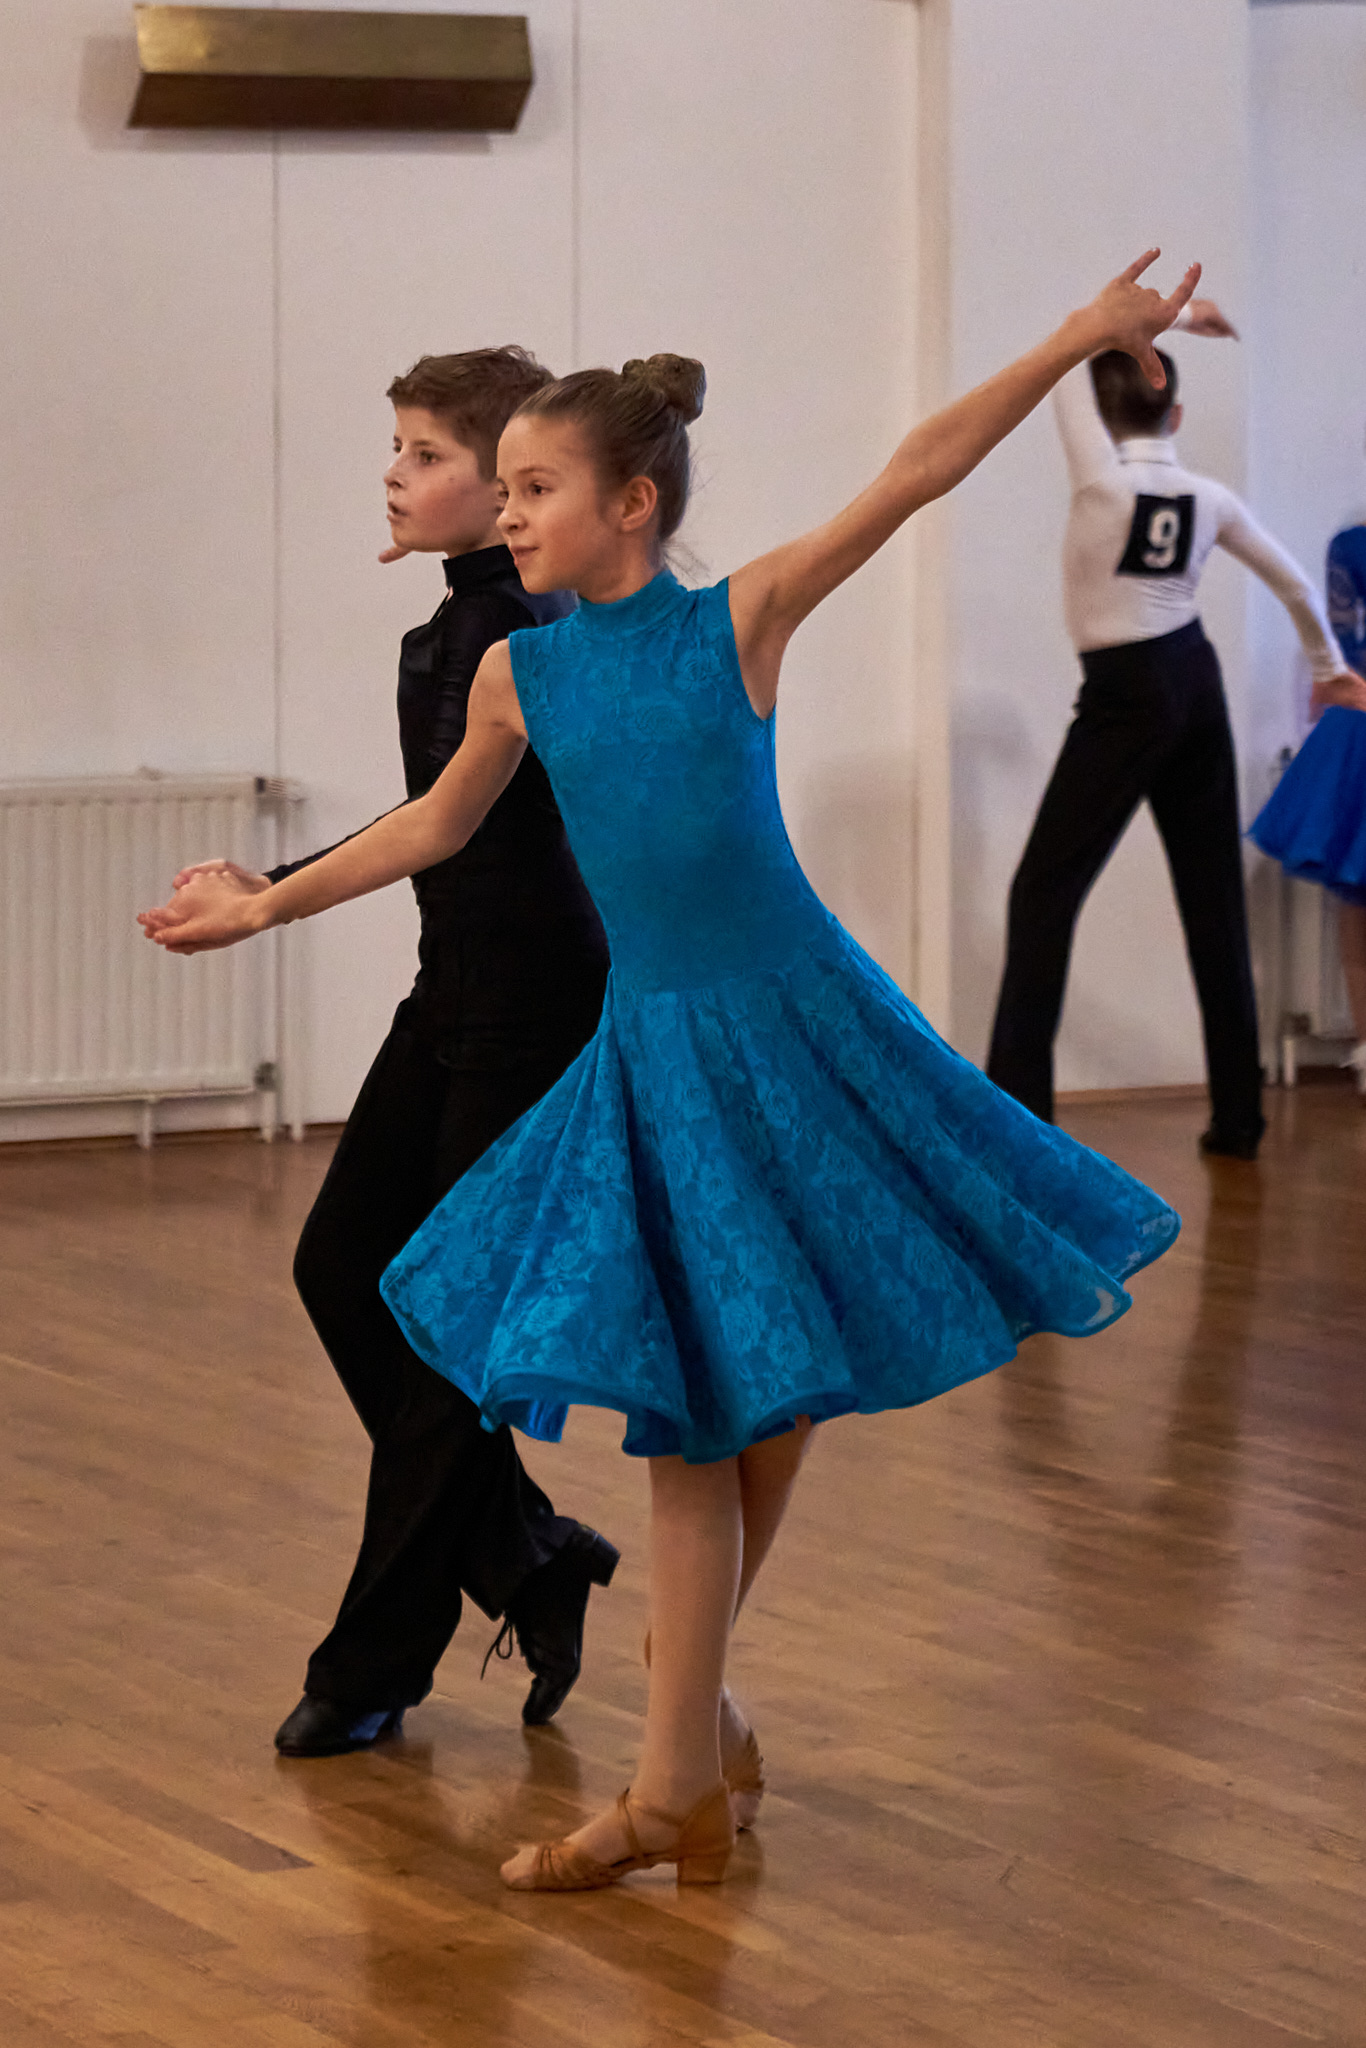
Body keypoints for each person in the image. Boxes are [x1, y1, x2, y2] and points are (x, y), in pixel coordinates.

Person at [142, 251, 1188, 1890]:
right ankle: (679, 1763)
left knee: (752, 1399)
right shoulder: (522, 674)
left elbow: (914, 470)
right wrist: (264, 901)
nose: (508, 514)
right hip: (657, 1060)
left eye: (536, 489)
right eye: (505, 487)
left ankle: (679, 1745)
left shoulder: (734, 623)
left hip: (801, 1035)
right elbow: (434, 829)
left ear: (630, 504)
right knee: (696, 1415)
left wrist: (1074, 338)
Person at [163, 347, 619, 1759]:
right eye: (400, 448)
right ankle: (526, 1553)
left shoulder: (515, 629)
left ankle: (376, 1661)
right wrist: (269, 883)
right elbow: (436, 825)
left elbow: (448, 829)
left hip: (535, 1009)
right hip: (456, 992)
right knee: (343, 1266)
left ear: (508, 486)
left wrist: (266, 900)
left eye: (427, 454)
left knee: (441, 1332)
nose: (395, 473)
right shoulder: (465, 623)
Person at [985, 301, 1364, 1160]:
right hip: (1195, 680)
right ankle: (1238, 1118)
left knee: (1042, 895)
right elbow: (1297, 585)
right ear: (1177, 415)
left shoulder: (1100, 482)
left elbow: (1067, 350)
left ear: (1103, 414)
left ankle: (1017, 1124)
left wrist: (1175, 316)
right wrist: (1328, 668)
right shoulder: (1210, 497)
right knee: (1212, 901)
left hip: (1125, 694)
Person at [1248, 488, 1366, 1092]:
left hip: (1356, 719)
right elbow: (1342, 641)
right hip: (1360, 718)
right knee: (1354, 892)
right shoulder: (1352, 546)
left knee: (1354, 895)